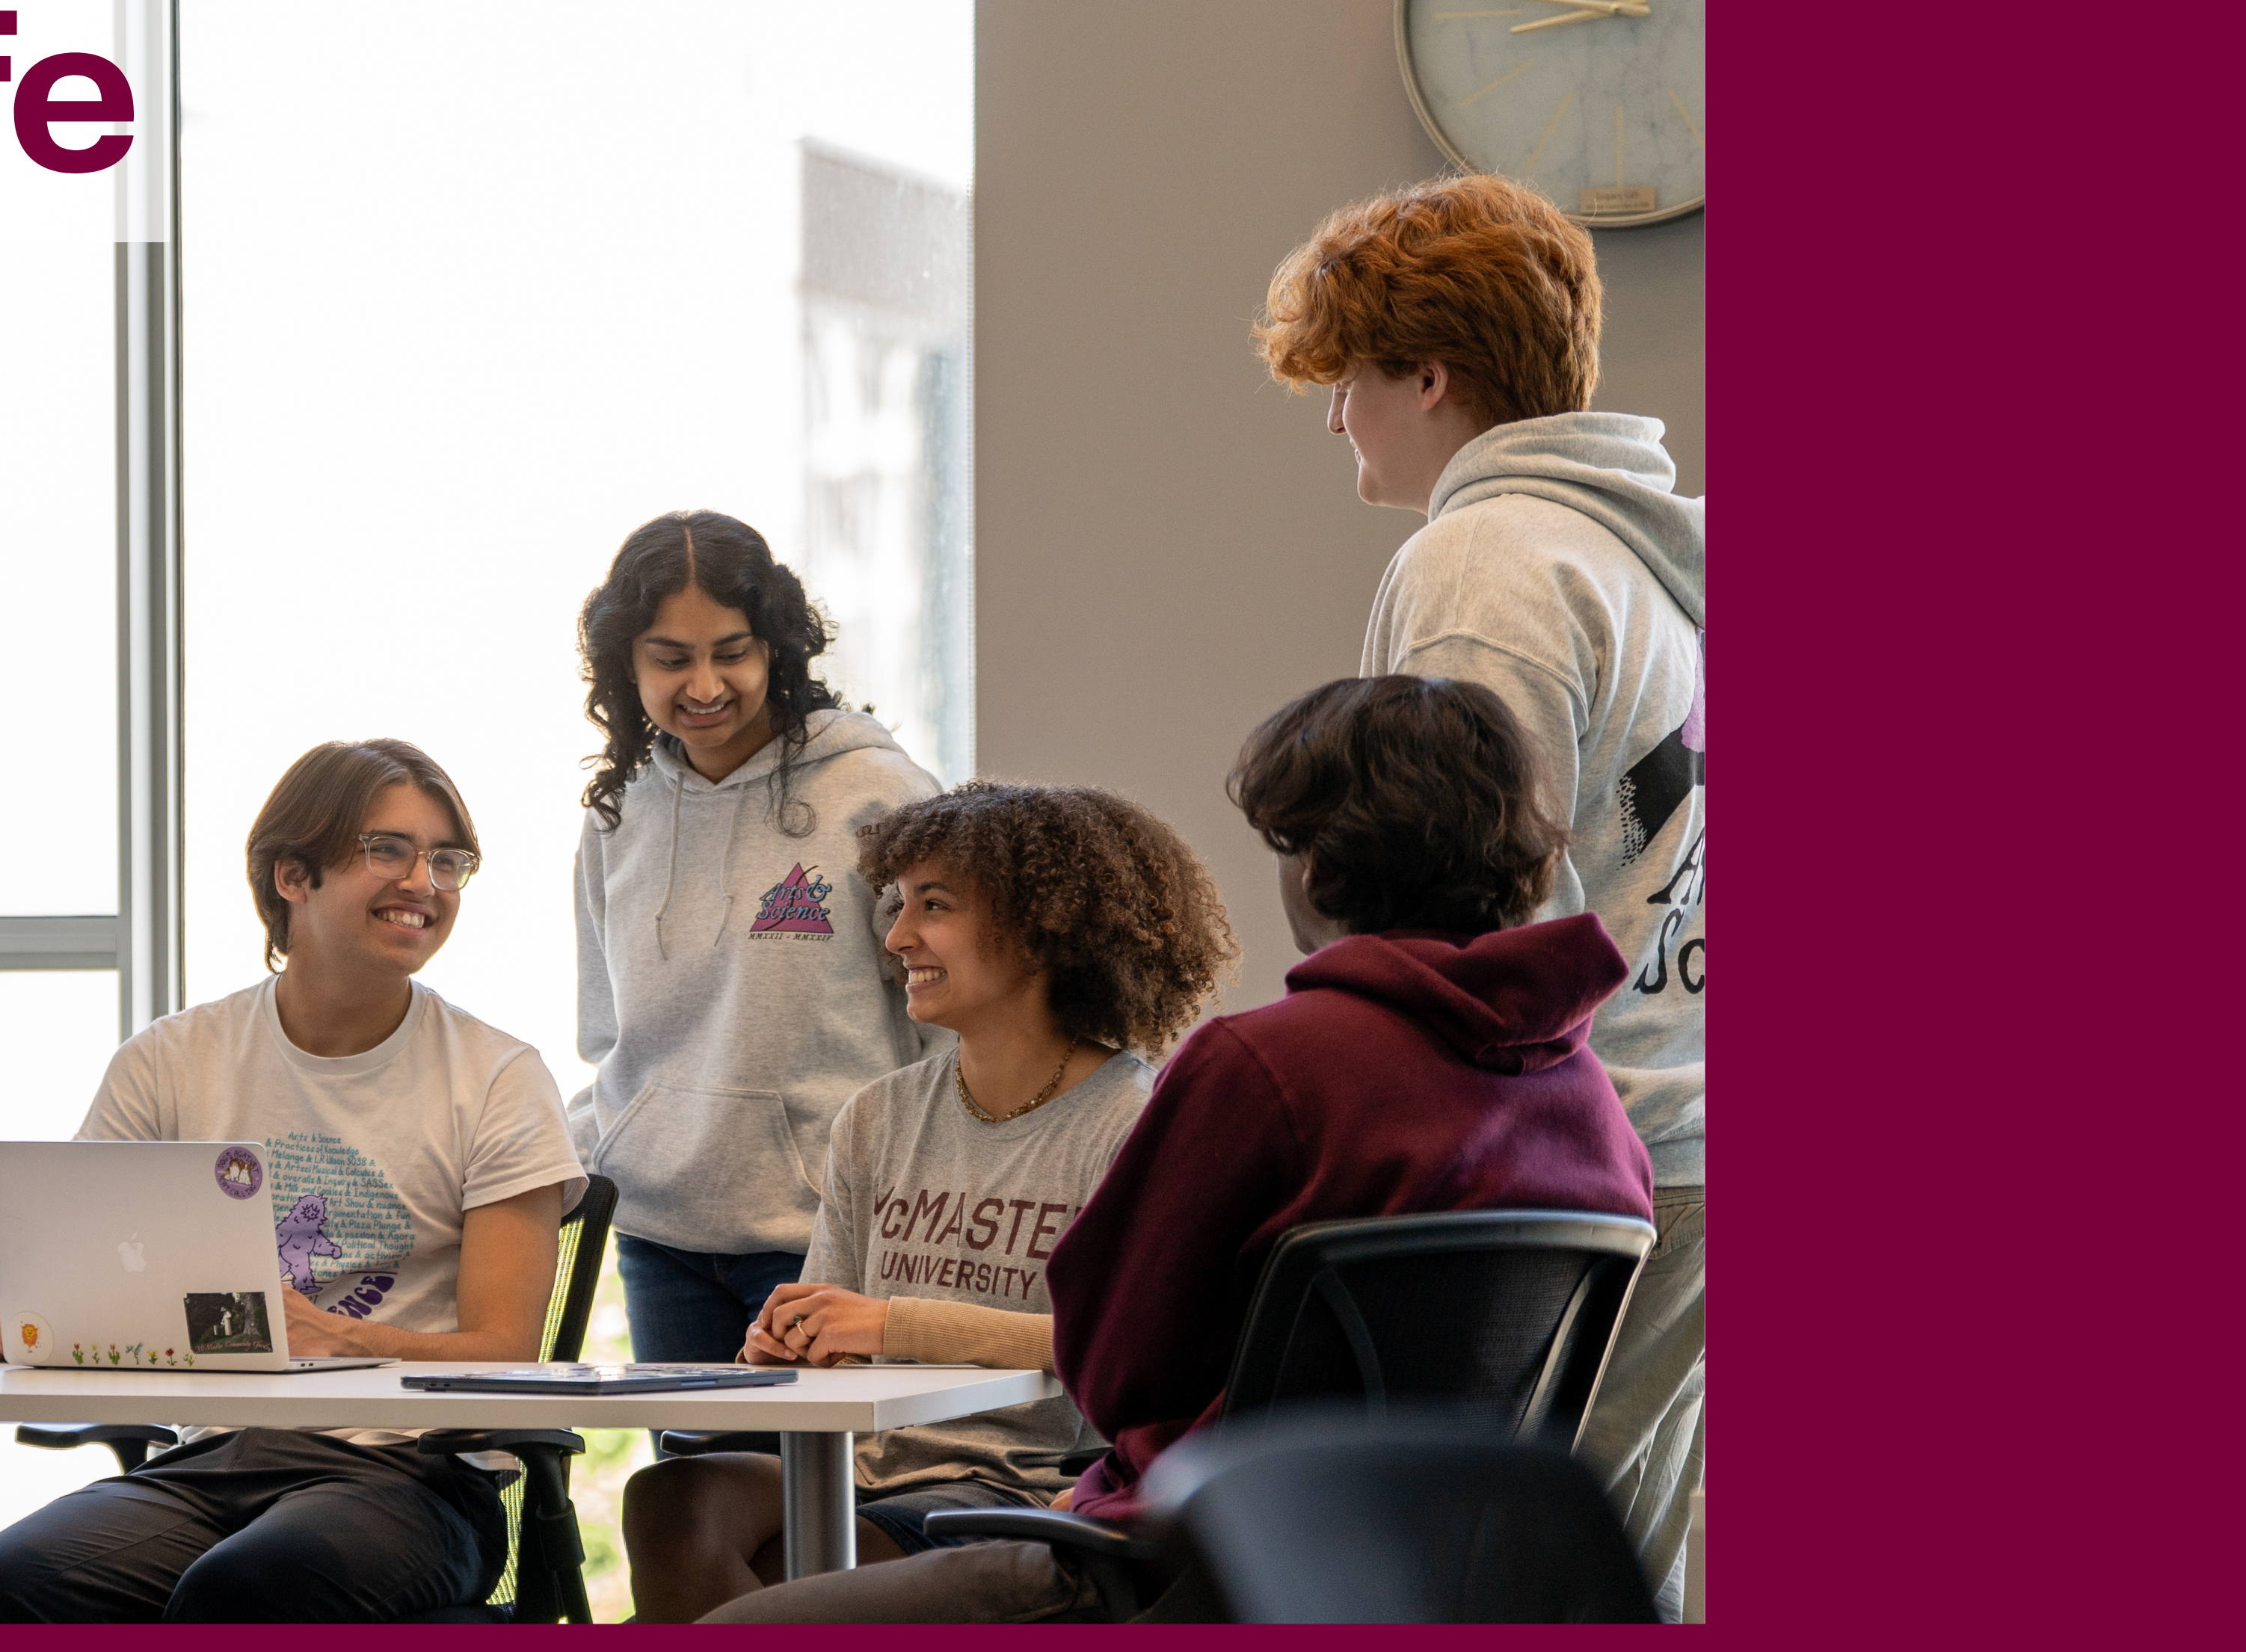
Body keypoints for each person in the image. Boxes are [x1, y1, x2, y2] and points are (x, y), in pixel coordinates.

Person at [706, 675, 1652, 1624]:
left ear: (1319, 862)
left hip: (1180, 1565)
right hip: (1425, 1577)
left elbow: (1117, 1372)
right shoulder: (1591, 1107)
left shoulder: (1269, 1064)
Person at [1258, 172, 1705, 1614]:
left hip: (1574, 1149)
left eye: (1352, 379)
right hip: (1677, 1129)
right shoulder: (1646, 560)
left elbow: (1453, 890)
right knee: (1622, 1571)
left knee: (1487, 1590)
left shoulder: (1481, 558)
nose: (1338, 418)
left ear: (1432, 373)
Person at [0, 740, 587, 1624]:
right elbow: (98, 1282)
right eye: (388, 849)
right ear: (292, 875)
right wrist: (41, 1319)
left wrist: (337, 1338)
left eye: (448, 859)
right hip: (213, 1458)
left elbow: (507, 1346)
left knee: (244, 1590)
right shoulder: (170, 1060)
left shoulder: (498, 1074)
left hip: (414, 1475)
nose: (425, 881)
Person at [618, 783, 1234, 1623]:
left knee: (795, 1576)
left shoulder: (1134, 1119)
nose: (898, 936)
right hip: (869, 1470)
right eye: (899, 905)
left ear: (1042, 926)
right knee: (673, 1498)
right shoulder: (880, 1114)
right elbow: (833, 1346)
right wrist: (793, 1342)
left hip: (1028, 1488)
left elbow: (1128, 1350)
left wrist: (886, 1322)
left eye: (933, 906)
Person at [560, 511, 954, 1363]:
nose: (705, 684)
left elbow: (947, 1017)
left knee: (816, 1494)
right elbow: (606, 1034)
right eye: (671, 657)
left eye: (730, 651)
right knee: (691, 1490)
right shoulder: (617, 818)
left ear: (776, 647)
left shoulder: (877, 793)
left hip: (825, 1234)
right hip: (660, 1234)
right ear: (627, 665)